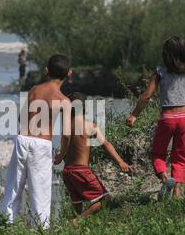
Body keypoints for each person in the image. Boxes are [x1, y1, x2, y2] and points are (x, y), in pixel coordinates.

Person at [126, 36, 185, 199]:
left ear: (167, 55)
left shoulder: (159, 72)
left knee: (158, 153)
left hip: (167, 118)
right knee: (181, 155)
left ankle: (164, 178)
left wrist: (134, 115)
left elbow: (146, 96)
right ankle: (177, 192)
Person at [1, 54, 73, 229]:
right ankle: (39, 234)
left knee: (13, 188)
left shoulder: (34, 90)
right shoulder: (64, 101)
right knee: (40, 194)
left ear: (46, 71)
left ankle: (5, 226)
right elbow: (66, 134)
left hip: (22, 140)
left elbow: (20, 118)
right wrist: (61, 155)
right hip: (41, 145)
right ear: (69, 73)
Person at [55, 92, 131, 225]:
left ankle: (75, 230)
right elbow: (105, 144)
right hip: (81, 170)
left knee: (77, 203)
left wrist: (60, 157)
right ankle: (77, 222)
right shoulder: (90, 126)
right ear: (86, 108)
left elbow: (65, 151)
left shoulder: (66, 127)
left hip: (67, 171)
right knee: (105, 199)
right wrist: (120, 161)